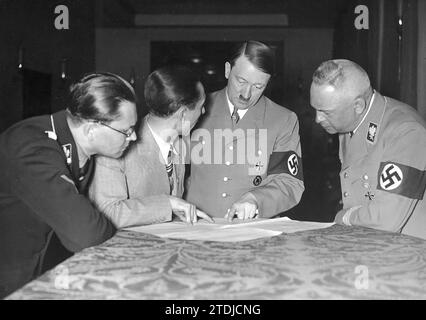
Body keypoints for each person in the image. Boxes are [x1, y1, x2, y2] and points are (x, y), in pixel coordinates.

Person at [0, 72, 138, 297]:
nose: (133, 137)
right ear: (91, 129)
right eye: (127, 131)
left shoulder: (78, 148)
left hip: (36, 270)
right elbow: (85, 233)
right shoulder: (30, 145)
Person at [185, 41, 305, 221]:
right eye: (241, 81)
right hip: (197, 225)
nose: (246, 94)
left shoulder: (283, 120)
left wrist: (256, 199)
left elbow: (289, 183)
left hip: (253, 230)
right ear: (227, 70)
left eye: (258, 87)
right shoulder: (194, 109)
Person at [310, 59, 426, 239]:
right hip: (368, 242)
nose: (317, 119)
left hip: (408, 251)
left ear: (358, 106)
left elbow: (387, 218)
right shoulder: (348, 126)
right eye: (315, 109)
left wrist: (344, 216)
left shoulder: (406, 131)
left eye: (326, 112)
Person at [89, 65, 213, 228]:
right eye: (200, 105)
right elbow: (107, 212)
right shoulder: (115, 147)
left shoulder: (179, 145)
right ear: (183, 114)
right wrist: (167, 205)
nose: (203, 111)